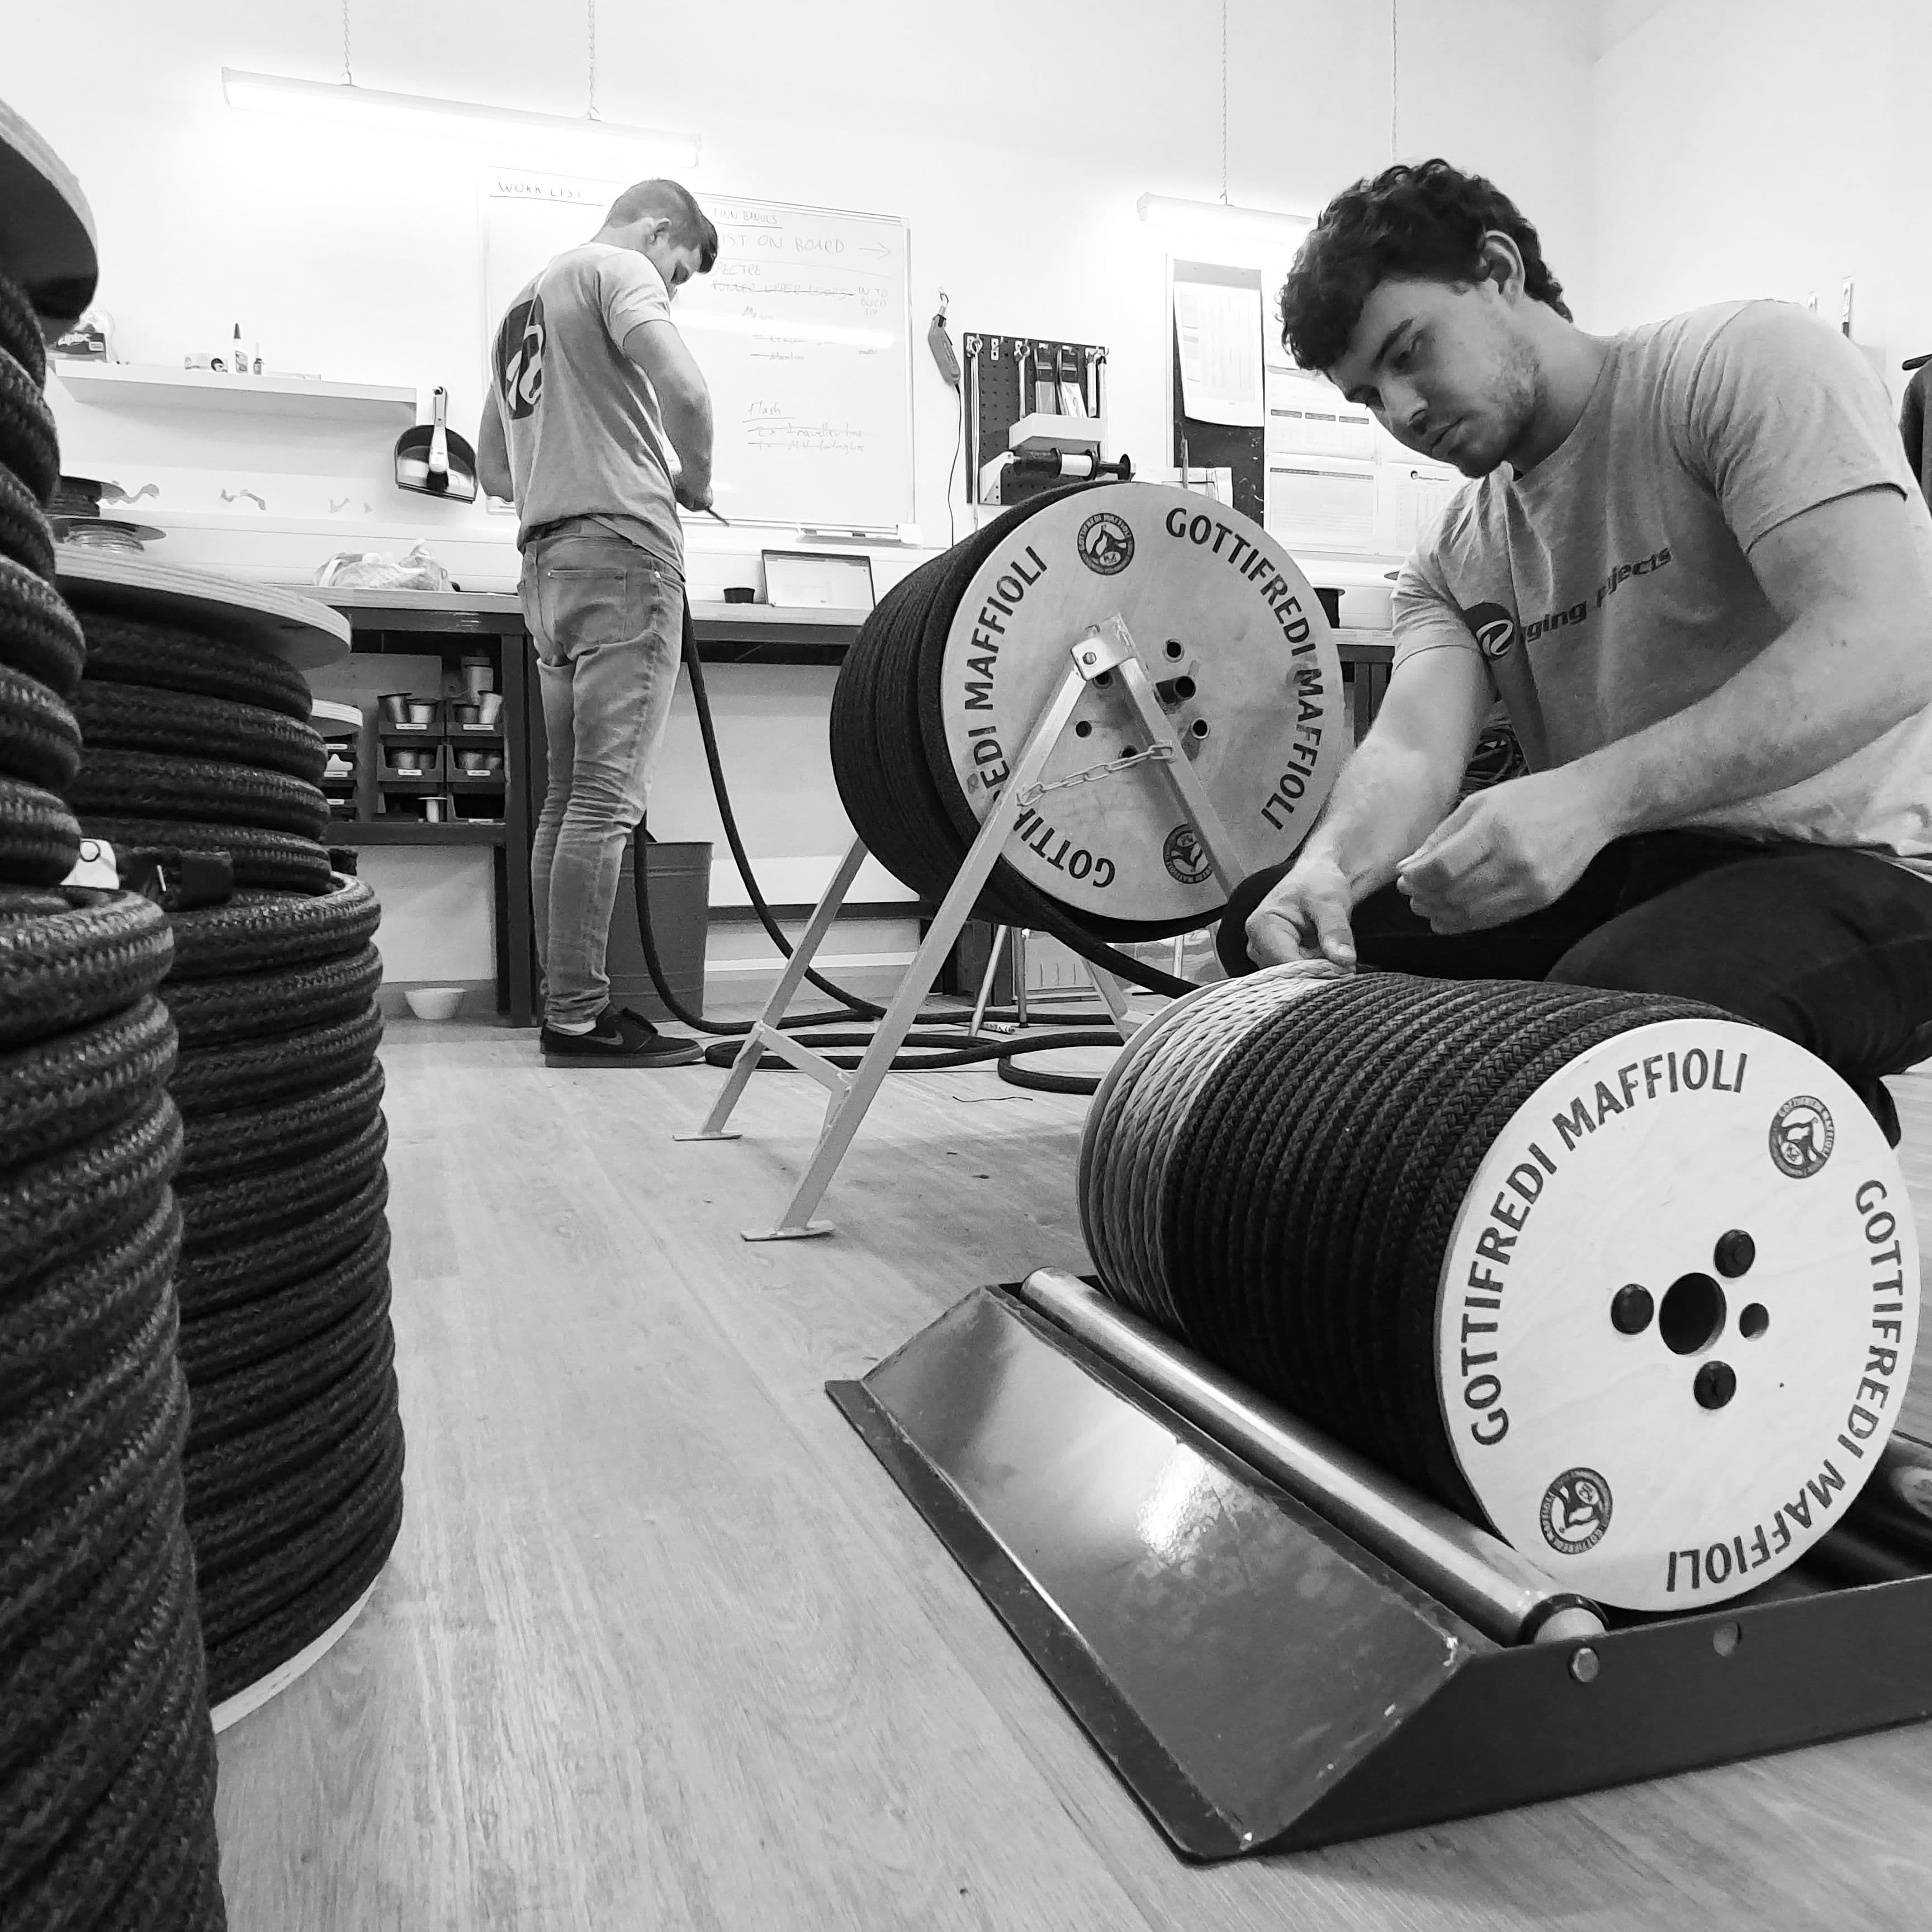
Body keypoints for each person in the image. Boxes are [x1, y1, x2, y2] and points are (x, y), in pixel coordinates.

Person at [1222, 159, 1932, 1140]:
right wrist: (1331, 870)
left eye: (1410, 349)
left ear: (1501, 269)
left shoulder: (1740, 363)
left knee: (1608, 1014)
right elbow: (1416, 751)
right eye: (1367, 399)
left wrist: (1591, 799)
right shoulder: (1457, 547)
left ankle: (1793, 1113)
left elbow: (1892, 640)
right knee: (1274, 936)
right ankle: (1758, 1077)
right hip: (1638, 866)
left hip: (1873, 869)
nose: (1403, 413)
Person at [477, 178, 718, 1067]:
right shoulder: (618, 267)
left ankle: (568, 1006)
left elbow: (496, 468)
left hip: (547, 567)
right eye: (682, 270)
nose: (675, 284)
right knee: (606, 804)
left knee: (568, 802)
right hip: (623, 558)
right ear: (662, 232)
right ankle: (579, 1021)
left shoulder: (520, 306)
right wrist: (691, 478)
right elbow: (687, 394)